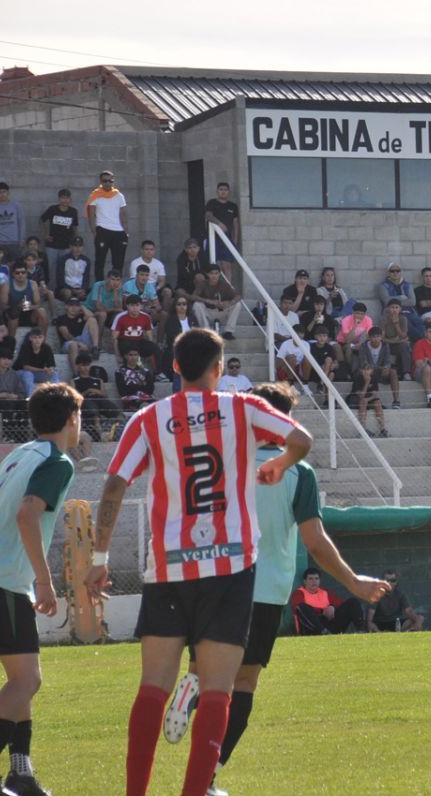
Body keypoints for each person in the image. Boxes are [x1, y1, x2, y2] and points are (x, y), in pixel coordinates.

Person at [87, 327, 313, 796]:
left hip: (169, 567)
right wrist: (280, 464)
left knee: (154, 686)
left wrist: (99, 558)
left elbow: (113, 487)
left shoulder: (148, 419)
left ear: (174, 366)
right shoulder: (243, 408)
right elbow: (302, 439)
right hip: (230, 567)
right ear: (218, 369)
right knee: (216, 689)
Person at [164, 381, 386, 796]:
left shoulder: (221, 463)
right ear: (283, 422)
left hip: (213, 581)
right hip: (264, 588)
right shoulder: (296, 472)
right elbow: (316, 543)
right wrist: (353, 581)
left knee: (206, 672)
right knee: (242, 684)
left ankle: (189, 689)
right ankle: (206, 780)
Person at [0, 383, 81, 796]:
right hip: (6, 580)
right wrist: (44, 581)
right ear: (71, 419)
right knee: (27, 681)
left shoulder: (18, 454)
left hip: (4, 577)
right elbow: (29, 515)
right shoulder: (58, 461)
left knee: (21, 679)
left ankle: (21, 771)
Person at [290, 569, 367, 635]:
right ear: (305, 581)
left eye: (316, 579)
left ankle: (361, 630)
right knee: (302, 607)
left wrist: (332, 607)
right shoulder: (299, 593)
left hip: (330, 623)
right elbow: (298, 607)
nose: (314, 581)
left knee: (352, 602)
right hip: (312, 628)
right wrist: (322, 611)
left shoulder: (325, 592)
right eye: (310, 579)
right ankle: (323, 632)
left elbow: (339, 603)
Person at [85, 171, 128, 281]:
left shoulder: (119, 195)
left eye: (110, 181)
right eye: (105, 181)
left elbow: (123, 214)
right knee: (100, 262)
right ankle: (99, 287)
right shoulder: (95, 195)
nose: (108, 183)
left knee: (118, 263)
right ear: (101, 181)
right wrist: (94, 232)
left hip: (118, 232)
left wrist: (125, 232)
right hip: (102, 231)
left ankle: (115, 287)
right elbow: (91, 215)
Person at [72, 351, 120, 440]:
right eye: (83, 365)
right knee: (94, 413)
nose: (86, 368)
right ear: (78, 366)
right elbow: (74, 398)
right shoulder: (74, 381)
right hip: (85, 402)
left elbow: (105, 395)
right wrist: (87, 392)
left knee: (116, 411)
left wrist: (95, 391)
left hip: (99, 400)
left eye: (87, 365)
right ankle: (101, 434)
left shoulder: (98, 380)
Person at [355, 324, 398, 416]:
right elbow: (364, 363)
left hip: (380, 372)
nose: (376, 339)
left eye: (378, 337)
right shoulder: (364, 346)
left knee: (393, 372)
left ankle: (396, 401)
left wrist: (386, 367)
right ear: (369, 337)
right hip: (368, 373)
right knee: (368, 370)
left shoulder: (385, 346)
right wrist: (380, 368)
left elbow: (388, 361)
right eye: (373, 337)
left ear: (381, 337)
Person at [191, 265, 241, 341]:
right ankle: (207, 332)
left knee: (237, 304)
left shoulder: (224, 284)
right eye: (211, 273)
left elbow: (238, 296)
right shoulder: (203, 284)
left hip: (221, 312)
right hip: (208, 313)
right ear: (207, 274)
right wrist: (208, 301)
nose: (214, 276)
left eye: (216, 273)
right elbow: (193, 297)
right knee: (197, 305)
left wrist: (229, 303)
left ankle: (228, 331)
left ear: (219, 274)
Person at [111, 294, 160, 370]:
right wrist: (117, 355)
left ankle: (158, 372)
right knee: (128, 347)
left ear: (141, 306)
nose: (135, 308)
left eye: (137, 305)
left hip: (139, 341)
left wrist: (150, 347)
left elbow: (149, 337)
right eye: (132, 305)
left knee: (155, 348)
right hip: (124, 342)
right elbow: (114, 338)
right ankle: (127, 370)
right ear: (127, 306)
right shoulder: (120, 317)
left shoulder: (146, 317)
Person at [39, 189, 80, 279]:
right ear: (59, 199)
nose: (65, 200)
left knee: (64, 269)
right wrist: (45, 234)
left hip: (66, 245)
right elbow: (41, 220)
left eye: (67, 198)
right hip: (52, 245)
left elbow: (74, 227)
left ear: (70, 199)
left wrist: (75, 242)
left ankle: (61, 291)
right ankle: (51, 291)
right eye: (62, 198)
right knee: (51, 269)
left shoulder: (73, 211)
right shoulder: (53, 209)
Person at [376, 262, 423, 339]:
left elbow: (413, 302)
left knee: (420, 322)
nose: (395, 273)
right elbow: (386, 301)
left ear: (401, 272)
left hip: (409, 312)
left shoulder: (407, 285)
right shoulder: (383, 286)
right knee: (406, 322)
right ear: (389, 272)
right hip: (393, 312)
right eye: (392, 271)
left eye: (397, 270)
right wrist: (401, 297)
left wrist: (394, 299)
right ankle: (420, 339)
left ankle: (419, 340)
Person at [204, 181, 240, 280]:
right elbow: (208, 215)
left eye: (225, 190)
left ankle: (228, 289)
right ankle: (214, 290)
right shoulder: (212, 202)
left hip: (227, 239)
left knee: (227, 265)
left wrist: (235, 241)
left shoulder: (233, 206)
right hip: (213, 238)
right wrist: (219, 224)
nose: (223, 192)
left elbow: (235, 224)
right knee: (213, 265)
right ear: (217, 191)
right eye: (221, 190)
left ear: (228, 192)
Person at [0, 263, 47, 338]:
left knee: (42, 311)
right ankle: (11, 341)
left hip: (28, 313)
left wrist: (29, 306)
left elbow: (38, 304)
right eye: (17, 273)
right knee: (13, 312)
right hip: (12, 313)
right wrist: (17, 306)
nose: (20, 275)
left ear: (26, 273)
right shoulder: (6, 285)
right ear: (13, 274)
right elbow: (2, 306)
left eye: (23, 272)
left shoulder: (33, 284)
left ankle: (42, 341)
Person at [0, 350, 29, 442]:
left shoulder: (14, 375)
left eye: (9, 359)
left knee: (25, 405)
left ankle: (22, 436)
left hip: (11, 401)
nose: (7, 361)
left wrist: (15, 396)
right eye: (4, 358)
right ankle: (7, 435)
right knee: (7, 405)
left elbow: (22, 393)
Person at [55, 296, 100, 370]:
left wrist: (82, 306)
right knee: (73, 344)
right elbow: (66, 335)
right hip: (69, 343)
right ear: (66, 306)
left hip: (83, 340)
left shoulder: (82, 317)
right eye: (71, 305)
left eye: (76, 305)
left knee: (92, 320)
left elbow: (92, 316)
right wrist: (79, 343)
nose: (74, 308)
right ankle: (76, 374)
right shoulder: (61, 319)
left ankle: (95, 348)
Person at [161, 296, 197, 383]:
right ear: (175, 306)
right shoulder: (171, 320)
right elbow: (171, 337)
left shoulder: (192, 318)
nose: (182, 306)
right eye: (179, 304)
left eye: (184, 304)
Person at [13, 329, 59, 395]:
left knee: (55, 373)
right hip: (21, 372)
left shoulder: (47, 348)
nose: (37, 340)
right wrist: (42, 370)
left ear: (43, 338)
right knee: (28, 374)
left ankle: (55, 395)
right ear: (30, 338)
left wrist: (50, 369)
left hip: (38, 373)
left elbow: (51, 365)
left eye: (40, 337)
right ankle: (31, 397)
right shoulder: (25, 347)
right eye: (35, 338)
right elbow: (26, 367)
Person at [123, 263, 163, 333]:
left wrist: (152, 308)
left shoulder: (150, 287)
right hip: (131, 311)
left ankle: (155, 339)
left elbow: (158, 306)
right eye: (141, 275)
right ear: (136, 275)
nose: (144, 278)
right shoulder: (128, 285)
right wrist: (143, 308)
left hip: (145, 311)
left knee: (160, 314)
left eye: (146, 275)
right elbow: (125, 305)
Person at [0, 182, 26, 263]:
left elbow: (21, 223)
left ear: (8, 192)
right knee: (1, 267)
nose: (2, 194)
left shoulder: (16, 206)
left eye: (4, 191)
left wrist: (22, 239)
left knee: (17, 266)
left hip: (14, 241)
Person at [336, 301, 373, 368]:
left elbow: (369, 335)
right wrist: (355, 326)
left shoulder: (368, 320)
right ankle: (348, 369)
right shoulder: (346, 320)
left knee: (365, 347)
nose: (359, 316)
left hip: (356, 342)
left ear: (365, 314)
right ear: (353, 312)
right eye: (357, 313)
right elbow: (347, 340)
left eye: (362, 314)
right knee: (349, 347)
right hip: (342, 342)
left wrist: (361, 343)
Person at [55, 236, 92, 303]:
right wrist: (72, 290)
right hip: (66, 288)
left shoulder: (86, 261)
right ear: (71, 246)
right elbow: (60, 279)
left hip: (80, 288)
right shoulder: (63, 259)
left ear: (83, 247)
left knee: (87, 295)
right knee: (67, 293)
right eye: (75, 246)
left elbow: (86, 278)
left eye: (80, 246)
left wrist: (83, 289)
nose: (78, 248)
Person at [171, 239, 207, 305]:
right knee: (179, 292)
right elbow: (184, 275)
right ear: (185, 249)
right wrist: (195, 275)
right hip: (185, 284)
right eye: (190, 248)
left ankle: (193, 301)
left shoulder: (202, 257)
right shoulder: (181, 259)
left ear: (198, 248)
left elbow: (205, 272)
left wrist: (197, 276)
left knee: (200, 277)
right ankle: (192, 300)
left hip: (198, 285)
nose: (192, 250)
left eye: (194, 247)